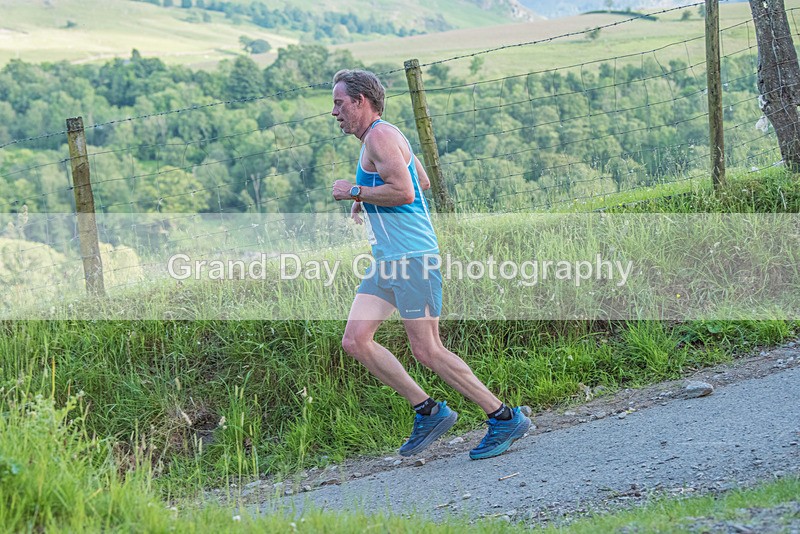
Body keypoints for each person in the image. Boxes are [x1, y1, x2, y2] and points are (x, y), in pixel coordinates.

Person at [330, 69, 531, 460]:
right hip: (389, 261)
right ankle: (428, 411)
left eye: (339, 103)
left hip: (412, 259)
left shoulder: (381, 136)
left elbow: (405, 191)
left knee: (428, 349)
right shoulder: (380, 136)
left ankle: (504, 417)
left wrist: (353, 190)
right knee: (355, 340)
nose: (334, 112)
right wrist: (367, 198)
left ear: (361, 101)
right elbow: (419, 179)